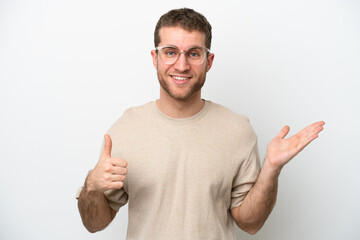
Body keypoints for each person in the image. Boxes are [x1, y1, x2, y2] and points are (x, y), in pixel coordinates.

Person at [76, 8, 325, 239]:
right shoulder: (125, 128)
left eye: (194, 53)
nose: (182, 65)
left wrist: (271, 169)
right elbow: (94, 223)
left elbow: (251, 224)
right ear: (155, 57)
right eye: (170, 52)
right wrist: (92, 186)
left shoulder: (237, 130)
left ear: (209, 60)